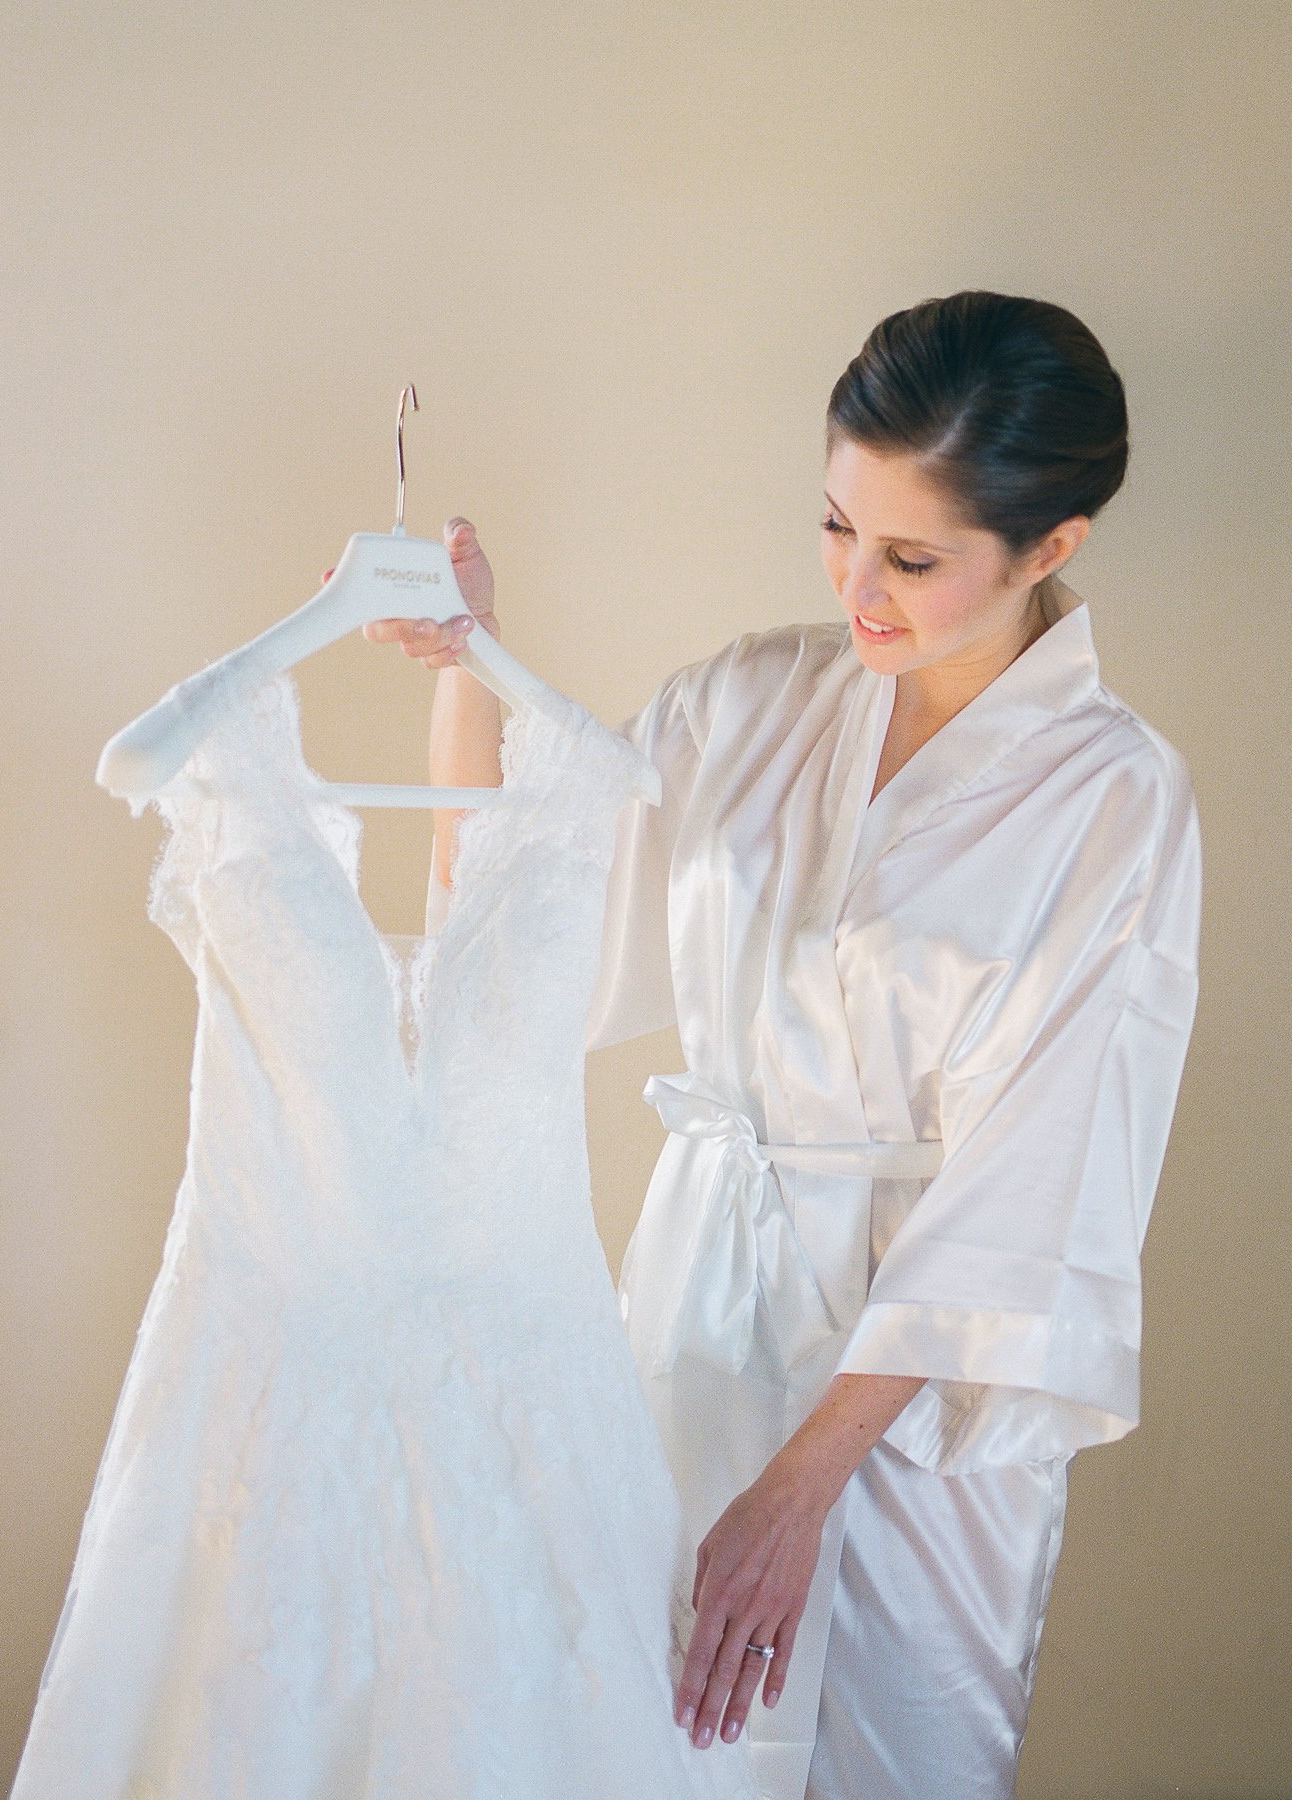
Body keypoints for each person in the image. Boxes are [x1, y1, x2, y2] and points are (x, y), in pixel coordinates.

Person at [367, 290, 1202, 1800]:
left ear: (1050, 548)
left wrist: (802, 1485)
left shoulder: (1110, 801)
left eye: (910, 558)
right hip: (695, 1311)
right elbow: (510, 926)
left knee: (895, 1756)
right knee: (645, 1739)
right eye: (835, 528)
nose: (855, 589)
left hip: (919, 1398)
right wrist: (464, 669)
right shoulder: (744, 702)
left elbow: (1040, 1179)